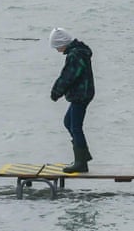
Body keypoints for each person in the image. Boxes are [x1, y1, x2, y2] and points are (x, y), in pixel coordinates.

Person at [49, 27, 95, 173]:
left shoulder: (75, 55)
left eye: (57, 46)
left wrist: (56, 92)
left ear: (63, 43)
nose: (57, 50)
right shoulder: (79, 52)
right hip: (83, 93)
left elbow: (68, 76)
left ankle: (81, 162)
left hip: (80, 95)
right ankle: (82, 157)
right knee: (68, 122)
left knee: (75, 126)